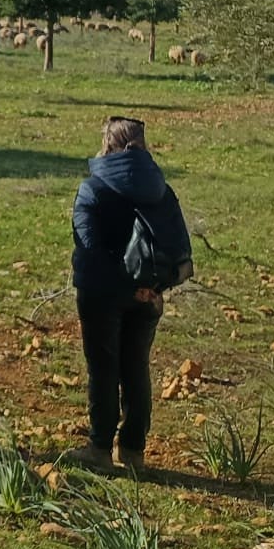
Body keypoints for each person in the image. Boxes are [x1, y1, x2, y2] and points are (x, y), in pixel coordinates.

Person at [70, 116, 185, 472]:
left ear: (106, 144)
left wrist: (120, 283)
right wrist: (151, 288)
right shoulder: (162, 189)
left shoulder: (94, 188)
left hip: (103, 293)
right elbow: (178, 244)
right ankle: (133, 450)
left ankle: (100, 448)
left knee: (103, 368)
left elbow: (89, 246)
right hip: (148, 295)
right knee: (136, 368)